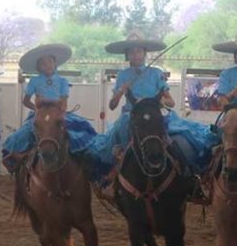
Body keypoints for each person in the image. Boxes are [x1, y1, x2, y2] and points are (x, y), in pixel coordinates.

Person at [89, 32, 214, 181]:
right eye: (132, 52)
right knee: (120, 136)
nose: (135, 55)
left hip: (155, 113)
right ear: (127, 54)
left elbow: (171, 102)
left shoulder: (156, 73)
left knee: (176, 141)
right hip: (132, 115)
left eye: (139, 51)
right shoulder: (122, 75)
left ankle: (186, 172)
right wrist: (121, 90)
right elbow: (112, 106)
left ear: (144, 53)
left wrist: (158, 101)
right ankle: (115, 170)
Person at [1, 44, 98, 173]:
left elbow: (63, 104)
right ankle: (22, 161)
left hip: (58, 114)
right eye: (43, 63)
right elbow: (25, 101)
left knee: (82, 131)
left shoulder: (63, 81)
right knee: (22, 135)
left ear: (55, 63)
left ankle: (85, 165)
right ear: (38, 67)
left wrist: (44, 101)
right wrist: (37, 110)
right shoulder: (34, 81)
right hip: (39, 115)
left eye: (50, 62)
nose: (47, 65)